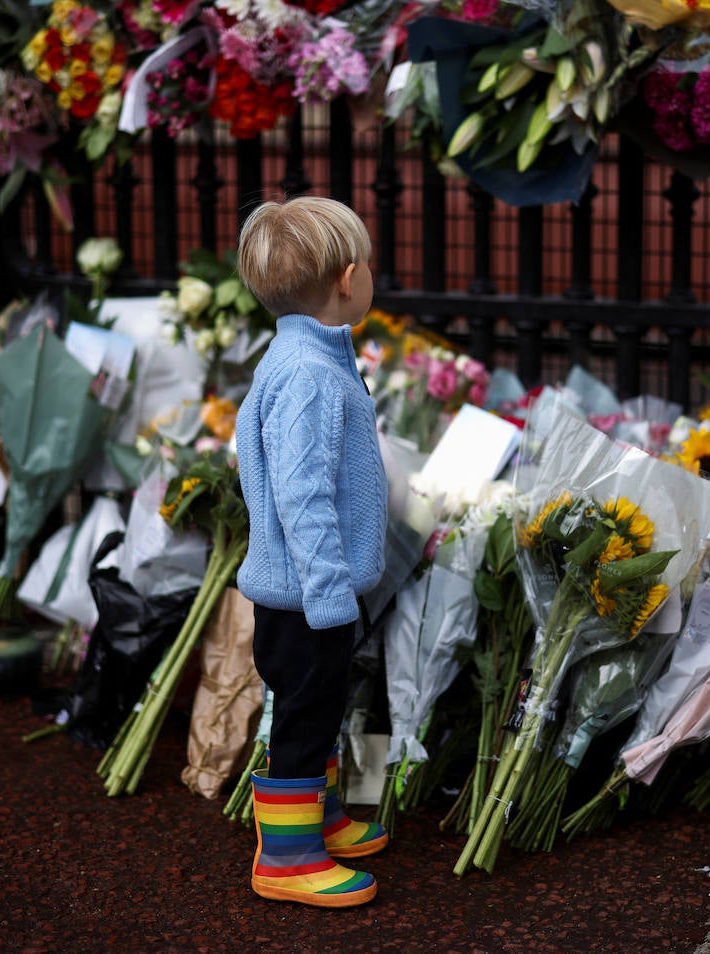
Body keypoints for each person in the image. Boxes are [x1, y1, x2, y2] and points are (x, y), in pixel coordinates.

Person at [234, 196, 389, 908]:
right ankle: (288, 860)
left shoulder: (306, 357)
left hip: (305, 595)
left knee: (316, 710)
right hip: (306, 599)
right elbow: (303, 494)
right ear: (348, 279)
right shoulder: (308, 375)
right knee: (302, 718)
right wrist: (331, 593)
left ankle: (316, 820)